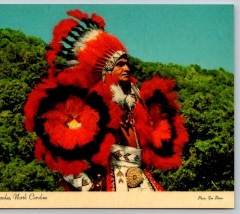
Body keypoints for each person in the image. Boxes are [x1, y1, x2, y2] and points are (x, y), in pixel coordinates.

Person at [24, 9, 188, 192]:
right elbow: (63, 146)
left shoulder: (135, 100)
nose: (127, 68)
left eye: (127, 63)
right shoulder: (89, 103)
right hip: (106, 180)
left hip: (138, 176)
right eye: (120, 64)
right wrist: (84, 180)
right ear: (108, 69)